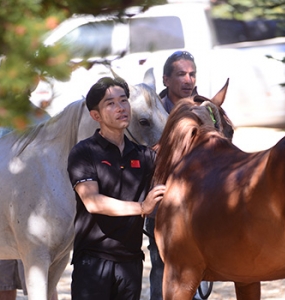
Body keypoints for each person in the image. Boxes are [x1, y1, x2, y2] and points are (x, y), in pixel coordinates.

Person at [67, 76, 166, 300]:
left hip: (130, 262)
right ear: (96, 116)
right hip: (93, 262)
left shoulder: (144, 156)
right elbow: (92, 202)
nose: (121, 108)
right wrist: (142, 207)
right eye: (110, 103)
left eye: (124, 101)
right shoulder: (84, 152)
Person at [145, 50, 211, 300]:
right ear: (165, 80)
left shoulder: (207, 109)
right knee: (163, 273)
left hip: (202, 206)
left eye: (192, 74)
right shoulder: (152, 115)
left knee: (201, 271)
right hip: (163, 208)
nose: (188, 80)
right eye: (181, 74)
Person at [0, 105, 58, 300]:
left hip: (33, 215)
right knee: (3, 282)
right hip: (2, 212)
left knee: (41, 284)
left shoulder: (43, 118)